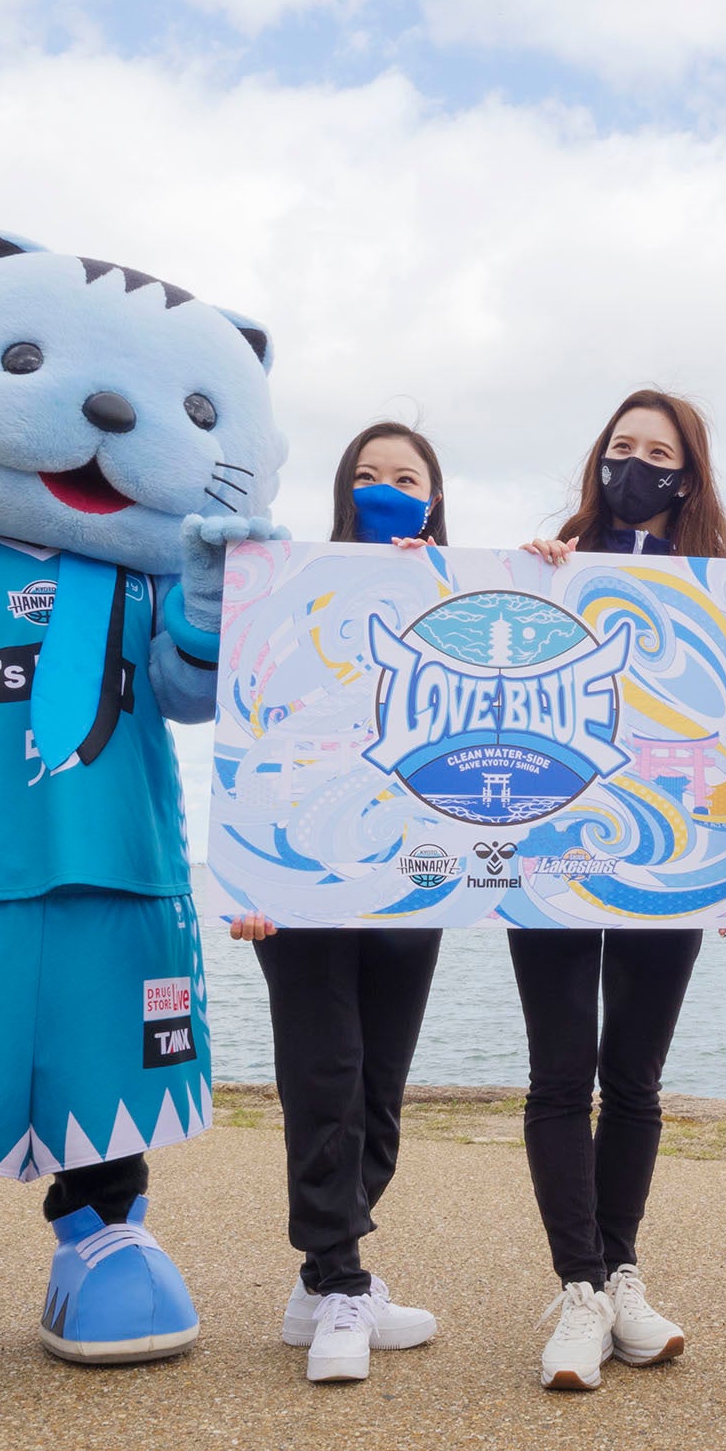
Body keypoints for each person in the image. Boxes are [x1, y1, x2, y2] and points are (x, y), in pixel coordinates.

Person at [512, 388, 726, 1391]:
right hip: (552, 849)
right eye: (623, 447)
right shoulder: (549, 565)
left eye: (659, 453)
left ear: (688, 475)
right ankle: (579, 1288)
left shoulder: (723, 588)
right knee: (562, 1073)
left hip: (670, 858)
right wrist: (524, 578)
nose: (637, 466)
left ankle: (619, 1272)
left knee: (636, 1078)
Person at [227, 421, 450, 1384]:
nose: (386, 488)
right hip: (303, 881)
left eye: (406, 476)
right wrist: (247, 876)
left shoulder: (460, 598)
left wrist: (536, 570)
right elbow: (249, 722)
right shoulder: (292, 590)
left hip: (410, 878)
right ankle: (344, 1283)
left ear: (435, 497)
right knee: (327, 1082)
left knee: (379, 1097)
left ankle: (319, 1285)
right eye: (367, 474)